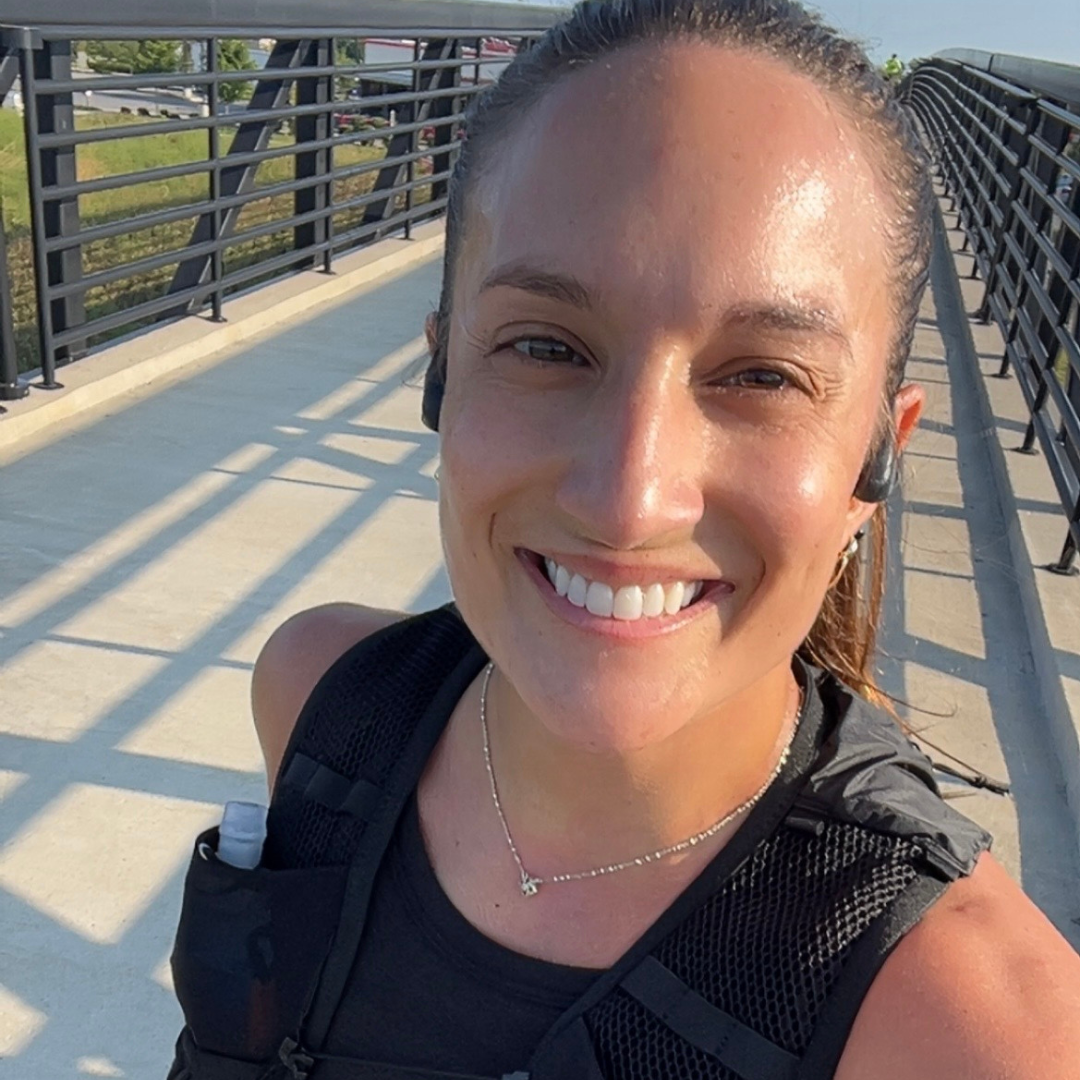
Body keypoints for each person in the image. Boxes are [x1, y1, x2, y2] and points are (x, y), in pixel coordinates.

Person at [167, 1, 1080, 1077]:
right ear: (441, 376)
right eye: (549, 345)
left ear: (874, 464)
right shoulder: (324, 700)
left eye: (761, 376)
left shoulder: (972, 1025)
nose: (628, 498)